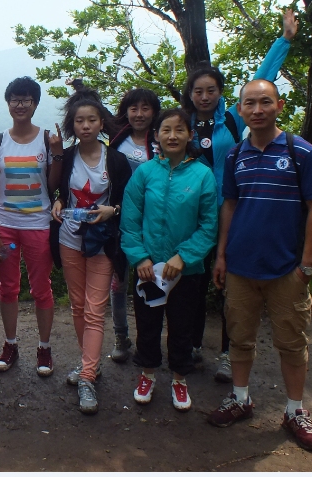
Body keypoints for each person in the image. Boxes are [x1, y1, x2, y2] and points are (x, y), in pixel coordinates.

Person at [207, 79, 312, 453]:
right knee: (239, 338)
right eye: (249, 104)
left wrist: (306, 265)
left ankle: (295, 411)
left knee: (291, 342)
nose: (257, 110)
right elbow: (229, 206)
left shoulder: (301, 152)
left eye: (265, 102)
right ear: (239, 109)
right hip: (242, 265)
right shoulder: (234, 156)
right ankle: (240, 399)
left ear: (280, 105)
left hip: (287, 268)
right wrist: (222, 255)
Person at [182, 8, 297, 381]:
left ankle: (232, 353)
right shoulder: (179, 125)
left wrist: (284, 41)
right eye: (198, 91)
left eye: (211, 90)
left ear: (220, 93)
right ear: (190, 94)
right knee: (194, 282)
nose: (204, 96)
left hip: (233, 212)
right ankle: (194, 345)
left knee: (231, 285)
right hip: (194, 216)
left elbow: (262, 80)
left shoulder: (233, 118)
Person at [121, 109, 218, 412]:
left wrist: (184, 257)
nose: (172, 136)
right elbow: (130, 220)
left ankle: (179, 379)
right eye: (166, 130)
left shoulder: (203, 174)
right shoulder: (145, 173)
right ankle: (147, 374)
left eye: (179, 130)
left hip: (186, 271)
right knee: (147, 325)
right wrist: (139, 258)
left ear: (190, 135)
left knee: (182, 326)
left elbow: (209, 225)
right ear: (157, 135)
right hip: (148, 269)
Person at [51, 84, 131, 414]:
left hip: (101, 243)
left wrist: (113, 209)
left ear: (101, 123)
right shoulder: (67, 158)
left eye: (92, 120)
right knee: (78, 307)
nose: (85, 125)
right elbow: (56, 189)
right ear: (73, 126)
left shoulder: (116, 159)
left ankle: (86, 377)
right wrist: (57, 201)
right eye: (80, 121)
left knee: (95, 310)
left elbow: (128, 200)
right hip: (69, 239)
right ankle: (91, 364)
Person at [0, 76, 63, 376]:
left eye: (26, 99)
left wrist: (57, 153)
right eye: (15, 99)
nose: (20, 105)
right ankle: (10, 344)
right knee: (8, 287)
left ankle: (44, 348)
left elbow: (54, 185)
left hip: (38, 227)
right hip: (7, 229)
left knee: (42, 288)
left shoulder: (46, 139)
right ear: (8, 103)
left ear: (35, 103)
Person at [106, 87, 161, 364]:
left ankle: (148, 341)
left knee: (149, 279)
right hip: (119, 219)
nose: (139, 114)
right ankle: (120, 336)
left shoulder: (161, 141)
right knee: (118, 283)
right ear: (126, 112)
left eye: (145, 108)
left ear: (154, 112)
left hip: (153, 222)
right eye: (134, 108)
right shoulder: (118, 141)